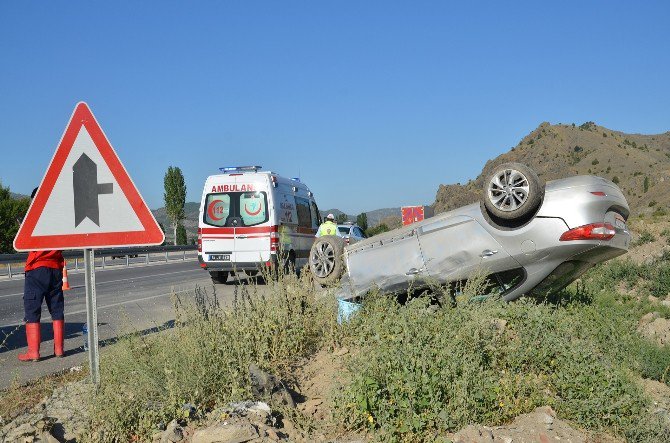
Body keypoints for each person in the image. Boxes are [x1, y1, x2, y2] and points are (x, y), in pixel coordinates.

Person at [18, 187, 65, 362]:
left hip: (36, 268)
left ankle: (34, 352)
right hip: (55, 269)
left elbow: (23, 242)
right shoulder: (59, 218)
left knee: (32, 308)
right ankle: (59, 349)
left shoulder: (34, 218)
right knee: (57, 309)